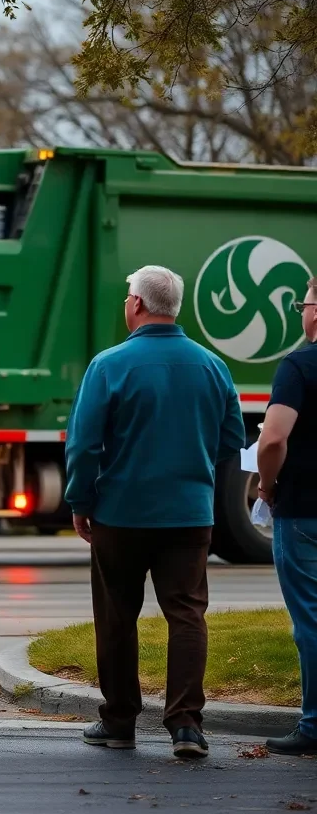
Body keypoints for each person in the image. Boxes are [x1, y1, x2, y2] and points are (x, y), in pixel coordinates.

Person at [65, 265, 244, 759]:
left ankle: (120, 721)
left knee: (117, 616)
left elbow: (83, 445)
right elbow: (232, 439)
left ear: (138, 305)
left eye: (127, 297)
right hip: (189, 514)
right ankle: (186, 725)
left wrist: (81, 502)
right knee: (187, 614)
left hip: (120, 514)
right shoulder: (212, 365)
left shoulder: (109, 365)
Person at [257, 277, 317, 756]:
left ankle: (314, 725)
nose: (301, 310)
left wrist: (266, 483)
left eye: (304, 302)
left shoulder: (299, 366)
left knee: (311, 620)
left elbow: (273, 439)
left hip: (304, 510)